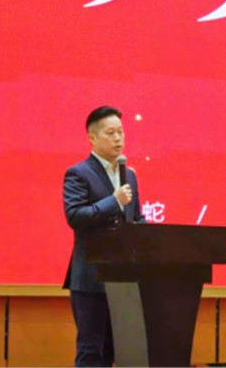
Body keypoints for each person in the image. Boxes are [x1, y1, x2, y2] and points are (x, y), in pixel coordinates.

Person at [62, 105, 146, 367]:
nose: (118, 138)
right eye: (111, 133)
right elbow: (75, 216)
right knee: (91, 351)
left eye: (120, 132)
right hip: (91, 278)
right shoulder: (78, 173)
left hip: (123, 278)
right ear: (92, 137)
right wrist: (114, 201)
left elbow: (136, 218)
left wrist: (149, 235)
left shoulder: (129, 174)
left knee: (114, 349)